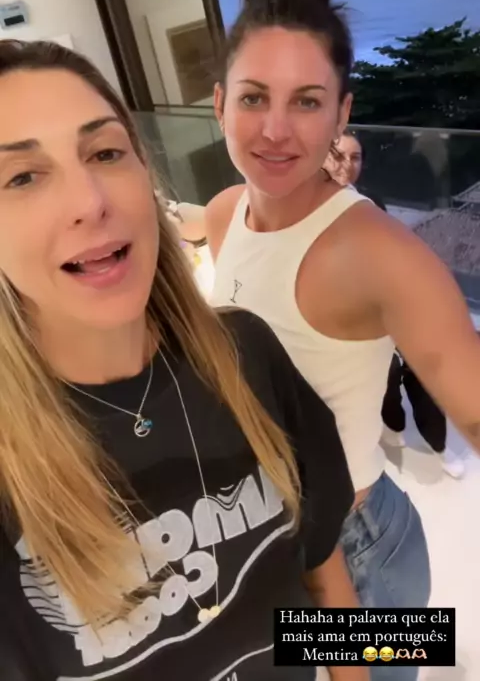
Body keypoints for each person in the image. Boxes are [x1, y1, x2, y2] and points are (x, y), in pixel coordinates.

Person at [0, 40, 367, 681]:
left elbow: (322, 578)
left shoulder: (246, 350)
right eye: (22, 177)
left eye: (105, 152)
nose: (89, 200)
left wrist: (381, 659)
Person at [206, 0, 480, 678]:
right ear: (218, 103)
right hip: (273, 548)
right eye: (254, 97)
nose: (275, 130)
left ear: (342, 114)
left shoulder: (378, 252)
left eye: (307, 101)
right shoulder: (223, 214)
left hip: (363, 554)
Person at [326, 133, 465, 478]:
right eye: (338, 155)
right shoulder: (306, 209)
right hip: (350, 313)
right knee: (383, 376)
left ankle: (439, 444)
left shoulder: (369, 200)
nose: (347, 165)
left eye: (355, 157)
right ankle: (394, 424)